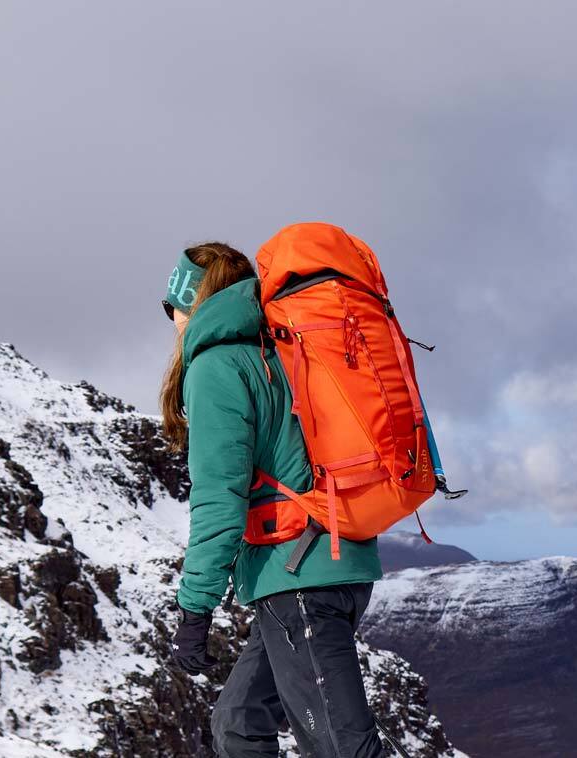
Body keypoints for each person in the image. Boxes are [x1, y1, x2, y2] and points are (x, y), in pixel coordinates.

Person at [159, 242, 387, 758]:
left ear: (191, 304)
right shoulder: (283, 348)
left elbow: (219, 500)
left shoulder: (217, 367)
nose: (169, 317)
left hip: (300, 578)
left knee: (343, 749)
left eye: (169, 304)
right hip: (325, 566)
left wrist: (194, 609)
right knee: (238, 723)